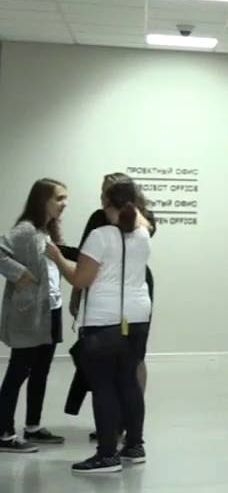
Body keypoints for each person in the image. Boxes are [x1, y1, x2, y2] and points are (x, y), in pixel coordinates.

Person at [46, 178, 153, 474]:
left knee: (104, 385)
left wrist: (57, 256)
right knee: (129, 381)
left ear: (107, 203)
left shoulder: (100, 236)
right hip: (137, 317)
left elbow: (80, 279)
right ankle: (134, 446)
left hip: (104, 320)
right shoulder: (143, 232)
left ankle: (107, 455)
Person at [69, 172, 157, 441]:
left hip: (121, 295)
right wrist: (77, 296)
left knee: (121, 368)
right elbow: (85, 262)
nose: (101, 199)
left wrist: (58, 258)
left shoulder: (139, 223)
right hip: (125, 295)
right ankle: (128, 436)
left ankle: (120, 433)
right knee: (121, 368)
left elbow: (81, 272)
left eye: (105, 193)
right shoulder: (105, 223)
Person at [0, 179, 69, 453]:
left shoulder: (45, 230)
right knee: (19, 371)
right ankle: (3, 433)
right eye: (59, 198)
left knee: (41, 371)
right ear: (43, 200)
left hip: (51, 309)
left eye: (65, 198)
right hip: (29, 314)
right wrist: (20, 273)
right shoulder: (26, 230)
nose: (64, 203)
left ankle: (32, 426)